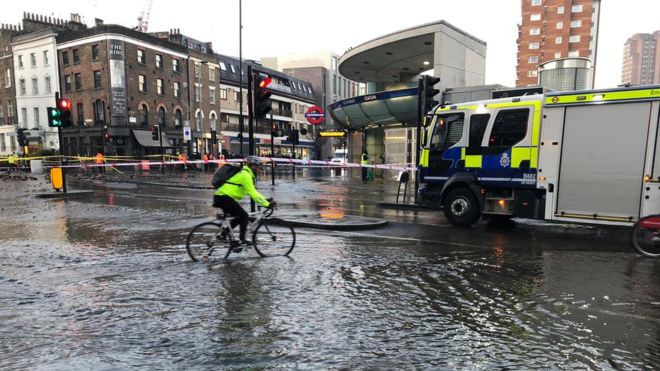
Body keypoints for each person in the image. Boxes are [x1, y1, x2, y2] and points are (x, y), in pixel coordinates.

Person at [213, 156, 275, 249]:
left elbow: (253, 191)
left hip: (222, 197)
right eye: (258, 167)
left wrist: (265, 200)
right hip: (224, 197)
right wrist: (267, 204)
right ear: (253, 166)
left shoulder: (245, 174)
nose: (259, 169)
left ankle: (223, 235)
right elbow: (252, 193)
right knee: (244, 215)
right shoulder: (245, 175)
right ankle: (242, 240)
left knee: (239, 217)